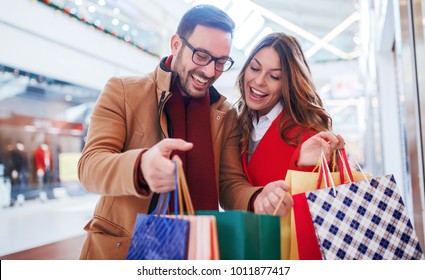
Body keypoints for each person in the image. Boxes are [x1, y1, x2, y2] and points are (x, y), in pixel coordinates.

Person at [78, 5, 293, 260]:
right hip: (124, 250)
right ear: (176, 44)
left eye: (221, 62)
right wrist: (141, 166)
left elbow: (229, 183)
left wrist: (256, 198)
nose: (210, 71)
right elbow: (89, 166)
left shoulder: (225, 115)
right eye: (201, 55)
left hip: (198, 251)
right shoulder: (123, 92)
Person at [236, 32, 344, 187]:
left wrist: (302, 165)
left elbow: (312, 203)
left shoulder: (308, 137)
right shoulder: (237, 125)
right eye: (254, 68)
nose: (259, 81)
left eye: (274, 76)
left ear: (288, 84)